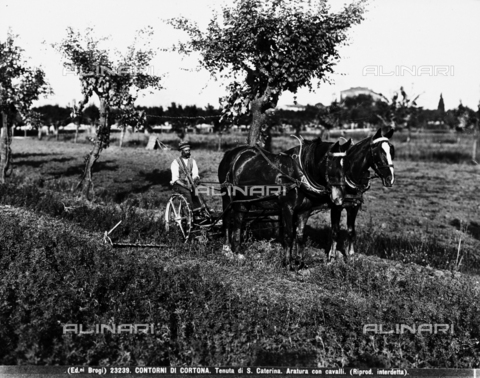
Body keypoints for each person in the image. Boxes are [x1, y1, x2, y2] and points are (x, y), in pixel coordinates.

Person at [170, 141, 209, 217]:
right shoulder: (176, 162)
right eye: (186, 151)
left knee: (196, 192)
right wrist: (187, 186)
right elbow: (175, 179)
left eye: (189, 150)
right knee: (187, 192)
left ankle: (200, 211)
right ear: (181, 151)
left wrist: (196, 179)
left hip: (189, 183)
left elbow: (195, 174)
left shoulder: (192, 161)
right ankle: (192, 212)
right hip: (178, 184)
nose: (188, 152)